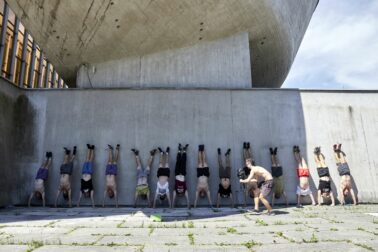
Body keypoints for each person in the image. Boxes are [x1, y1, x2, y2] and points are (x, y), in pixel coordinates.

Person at [240, 142, 259, 211]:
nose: (252, 192)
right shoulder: (255, 187)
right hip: (253, 171)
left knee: (245, 159)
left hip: (248, 172)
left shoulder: (248, 188)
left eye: (251, 194)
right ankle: (249, 147)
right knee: (251, 158)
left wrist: (245, 204)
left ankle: (244, 148)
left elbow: (245, 195)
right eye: (252, 193)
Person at [172, 143, 190, 208]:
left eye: (179, 195)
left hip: (177, 174)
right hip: (182, 174)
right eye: (181, 195)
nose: (180, 195)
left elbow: (173, 198)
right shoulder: (184, 190)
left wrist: (172, 205)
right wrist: (188, 205)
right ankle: (184, 150)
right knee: (183, 162)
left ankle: (179, 150)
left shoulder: (175, 190)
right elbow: (187, 197)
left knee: (178, 162)